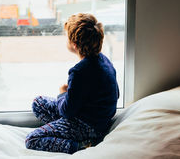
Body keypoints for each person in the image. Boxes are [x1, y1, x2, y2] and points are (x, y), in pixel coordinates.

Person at [25, 13, 119, 154]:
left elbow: (67, 112)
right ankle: (61, 129)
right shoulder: (105, 61)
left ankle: (80, 145)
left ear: (74, 45)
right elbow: (115, 94)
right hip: (98, 119)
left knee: (31, 140)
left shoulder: (79, 72)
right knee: (38, 103)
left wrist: (63, 94)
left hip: (86, 125)